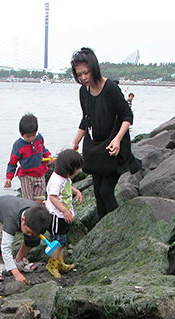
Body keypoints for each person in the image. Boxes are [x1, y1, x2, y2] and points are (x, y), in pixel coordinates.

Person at [70, 47, 141, 220]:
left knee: (106, 192)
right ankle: (103, 228)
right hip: (96, 149)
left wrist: (117, 140)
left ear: (94, 68)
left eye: (86, 72)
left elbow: (127, 115)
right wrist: (75, 143)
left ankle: (119, 228)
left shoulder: (110, 88)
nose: (83, 78)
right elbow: (86, 119)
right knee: (97, 193)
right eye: (79, 75)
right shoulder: (83, 92)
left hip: (113, 148)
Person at [0, 195, 51, 284]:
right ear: (23, 220)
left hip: (12, 208)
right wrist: (16, 273)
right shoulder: (11, 219)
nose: (30, 234)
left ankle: (19, 260)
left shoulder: (37, 215)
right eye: (29, 231)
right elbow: (6, 247)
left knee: (34, 238)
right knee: (1, 238)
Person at [44, 149, 84, 279]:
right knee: (57, 242)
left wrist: (76, 191)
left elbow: (67, 187)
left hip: (64, 215)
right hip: (57, 216)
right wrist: (64, 211)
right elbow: (53, 197)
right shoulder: (56, 180)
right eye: (77, 169)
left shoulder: (64, 178)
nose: (78, 171)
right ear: (69, 168)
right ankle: (52, 265)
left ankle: (60, 262)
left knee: (62, 240)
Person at [4, 113, 52, 203]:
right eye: (28, 136)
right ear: (21, 133)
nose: (31, 138)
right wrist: (9, 178)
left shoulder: (39, 138)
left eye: (33, 135)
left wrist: (48, 156)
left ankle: (36, 213)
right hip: (26, 175)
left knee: (40, 198)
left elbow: (43, 149)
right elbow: (12, 163)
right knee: (28, 200)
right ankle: (27, 214)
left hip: (40, 172)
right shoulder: (18, 145)